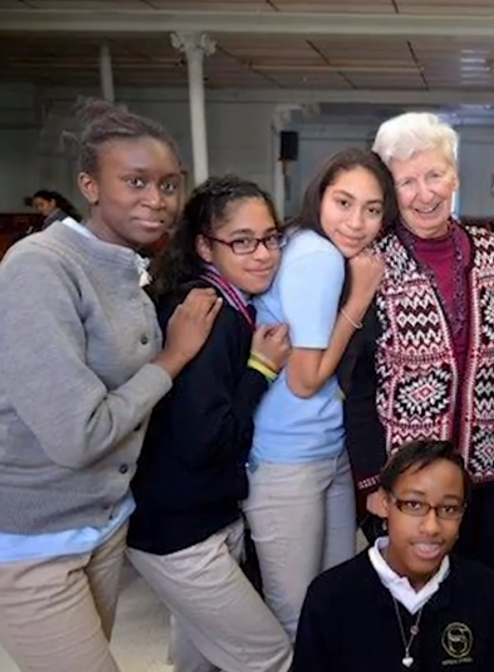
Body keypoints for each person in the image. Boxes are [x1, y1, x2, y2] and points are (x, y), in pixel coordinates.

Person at [0, 99, 218, 672]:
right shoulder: (39, 267)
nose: (157, 200)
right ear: (89, 185)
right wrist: (172, 360)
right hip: (34, 541)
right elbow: (78, 434)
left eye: (169, 185)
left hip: (103, 523)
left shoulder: (123, 264)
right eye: (137, 182)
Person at [346, 112, 494, 576]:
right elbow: (357, 381)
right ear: (390, 189)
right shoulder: (371, 264)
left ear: (455, 176)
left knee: (476, 584)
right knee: (409, 594)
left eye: (435, 174)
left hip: (486, 463)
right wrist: (372, 479)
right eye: (407, 181)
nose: (425, 193)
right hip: (405, 470)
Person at [126, 176, 294, 672]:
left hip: (188, 518)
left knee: (199, 661)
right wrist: (260, 371)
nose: (263, 254)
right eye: (242, 241)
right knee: (271, 657)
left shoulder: (215, 301)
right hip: (180, 530)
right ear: (205, 245)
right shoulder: (210, 313)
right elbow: (206, 439)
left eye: (270, 238)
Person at [244, 148, 394, 640]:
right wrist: (360, 299)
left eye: (372, 209)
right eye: (343, 202)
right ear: (319, 197)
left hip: (323, 449)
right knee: (300, 618)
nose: (357, 223)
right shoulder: (320, 256)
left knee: (330, 603)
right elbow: (305, 379)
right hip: (290, 457)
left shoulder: (304, 243)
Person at [293, 440, 494, 672]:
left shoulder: (480, 588)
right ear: (384, 504)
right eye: (414, 504)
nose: (432, 527)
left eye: (449, 509)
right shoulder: (330, 596)